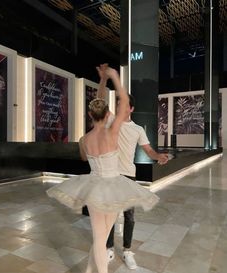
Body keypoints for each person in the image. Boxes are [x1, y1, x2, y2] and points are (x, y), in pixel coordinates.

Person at [47, 65, 160, 273]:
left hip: (95, 186)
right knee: (101, 238)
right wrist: (114, 78)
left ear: (90, 114)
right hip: (115, 184)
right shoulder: (112, 132)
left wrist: (102, 82)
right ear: (107, 112)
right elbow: (124, 101)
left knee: (100, 238)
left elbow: (83, 155)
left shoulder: (84, 139)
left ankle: (91, 270)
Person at [96, 64, 168, 269]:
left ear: (131, 108)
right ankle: (109, 248)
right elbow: (100, 100)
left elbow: (148, 150)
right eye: (118, 103)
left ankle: (127, 251)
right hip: (110, 175)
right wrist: (103, 80)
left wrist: (158, 156)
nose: (119, 106)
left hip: (128, 176)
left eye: (123, 104)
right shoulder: (110, 120)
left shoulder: (137, 129)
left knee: (129, 215)